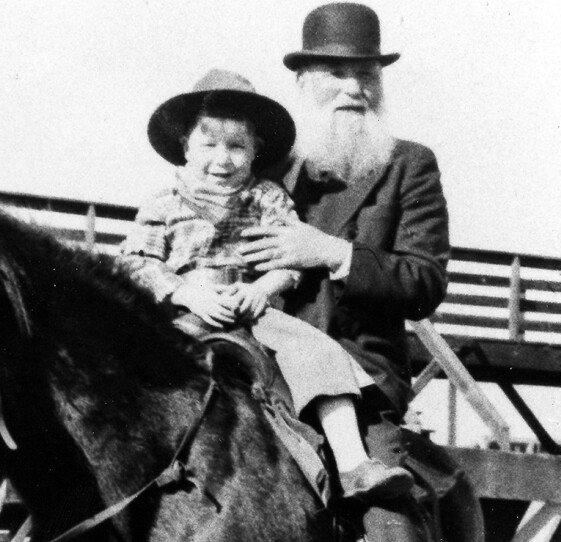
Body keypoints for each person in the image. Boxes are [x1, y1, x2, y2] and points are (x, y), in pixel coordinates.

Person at [120, 68, 414, 503]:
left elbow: (290, 260)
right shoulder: (163, 203)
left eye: (237, 146)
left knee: (317, 351)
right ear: (185, 146)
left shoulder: (268, 199)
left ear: (256, 150)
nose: (222, 159)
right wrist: (184, 292)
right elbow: (133, 262)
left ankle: (353, 464)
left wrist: (262, 289)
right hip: (184, 310)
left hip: (252, 308)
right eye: (209, 145)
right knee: (132, 366)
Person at [238, 3, 451, 540]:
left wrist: (332, 253)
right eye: (336, 73)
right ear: (303, 81)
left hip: (358, 381)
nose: (353, 88)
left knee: (387, 519)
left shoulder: (409, 164)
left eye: (366, 75)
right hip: (250, 363)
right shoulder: (257, 166)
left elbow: (425, 281)